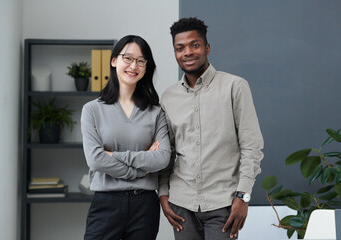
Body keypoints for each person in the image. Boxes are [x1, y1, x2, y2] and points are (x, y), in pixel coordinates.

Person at [158, 17, 264, 240]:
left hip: (223, 203)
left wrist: (242, 197)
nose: (187, 52)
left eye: (194, 45)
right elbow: (167, 152)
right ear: (175, 52)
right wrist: (164, 195)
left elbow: (251, 146)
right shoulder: (168, 97)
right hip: (181, 205)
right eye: (180, 48)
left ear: (207, 48)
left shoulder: (235, 87)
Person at [81, 35, 171, 240]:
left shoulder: (156, 112)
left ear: (146, 67)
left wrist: (113, 156)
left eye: (140, 60)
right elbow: (95, 159)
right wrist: (142, 168)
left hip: (144, 206)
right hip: (106, 203)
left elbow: (163, 158)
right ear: (114, 61)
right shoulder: (92, 110)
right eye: (128, 58)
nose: (134, 66)